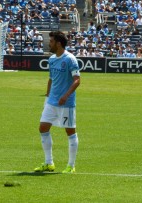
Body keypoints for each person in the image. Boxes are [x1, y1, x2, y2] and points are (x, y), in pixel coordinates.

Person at [34, 31, 80, 174]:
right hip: (52, 102)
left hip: (66, 103)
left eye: (52, 41)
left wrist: (66, 96)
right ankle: (49, 163)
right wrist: (47, 98)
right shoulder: (52, 59)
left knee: (70, 131)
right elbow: (51, 79)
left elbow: (77, 80)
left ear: (59, 44)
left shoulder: (70, 59)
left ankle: (71, 165)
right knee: (43, 128)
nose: (49, 43)